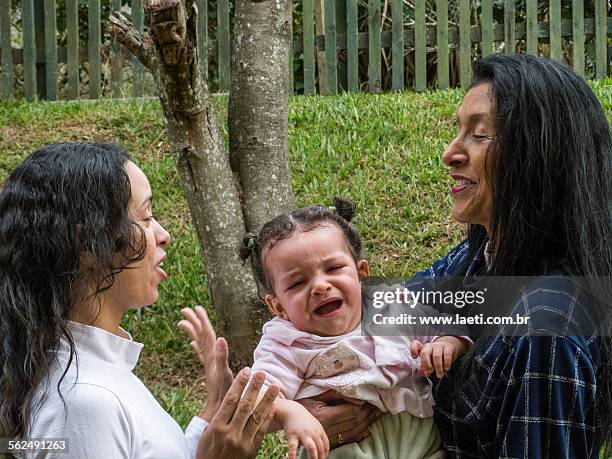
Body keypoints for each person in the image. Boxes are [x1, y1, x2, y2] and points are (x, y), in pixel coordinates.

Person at [298, 54, 612, 457]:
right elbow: (377, 317)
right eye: (458, 131)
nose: (450, 153)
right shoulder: (481, 256)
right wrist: (312, 408)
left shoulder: (546, 330)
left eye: (478, 136)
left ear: (539, 153)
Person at [0, 142, 278, 459]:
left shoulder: (93, 377)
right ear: (87, 243)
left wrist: (210, 413)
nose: (163, 234)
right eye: (146, 218)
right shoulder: (85, 403)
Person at [237, 198, 470, 459]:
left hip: (421, 446)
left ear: (361, 273)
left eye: (334, 268)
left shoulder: (393, 307)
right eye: (297, 283)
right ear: (277, 306)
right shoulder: (288, 343)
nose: (320, 286)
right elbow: (256, 399)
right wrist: (291, 412)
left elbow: (449, 325)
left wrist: (446, 344)